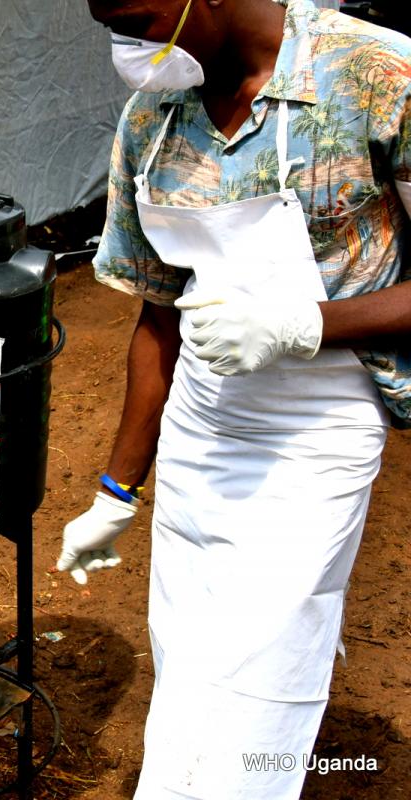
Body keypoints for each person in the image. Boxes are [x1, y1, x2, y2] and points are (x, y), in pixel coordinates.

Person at [57, 1, 411, 797]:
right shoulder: (151, 120)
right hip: (204, 419)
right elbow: (157, 321)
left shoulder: (377, 78)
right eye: (109, 23)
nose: (128, 46)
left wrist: (302, 325)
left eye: (140, 17)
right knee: (190, 652)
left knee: (261, 668)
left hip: (320, 421)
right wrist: (116, 491)